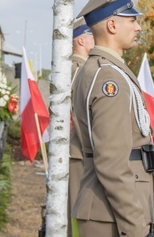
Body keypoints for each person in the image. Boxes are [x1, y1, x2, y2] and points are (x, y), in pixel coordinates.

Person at [71, 0, 154, 237]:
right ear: (112, 26)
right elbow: (111, 162)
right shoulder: (110, 79)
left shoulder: (99, 70)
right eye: (132, 20)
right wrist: (135, 227)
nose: (138, 27)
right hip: (110, 216)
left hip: (106, 211)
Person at [68, 17, 94, 236]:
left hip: (77, 150)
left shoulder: (77, 67)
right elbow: (78, 114)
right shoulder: (79, 69)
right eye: (92, 36)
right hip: (78, 150)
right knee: (77, 208)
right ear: (81, 41)